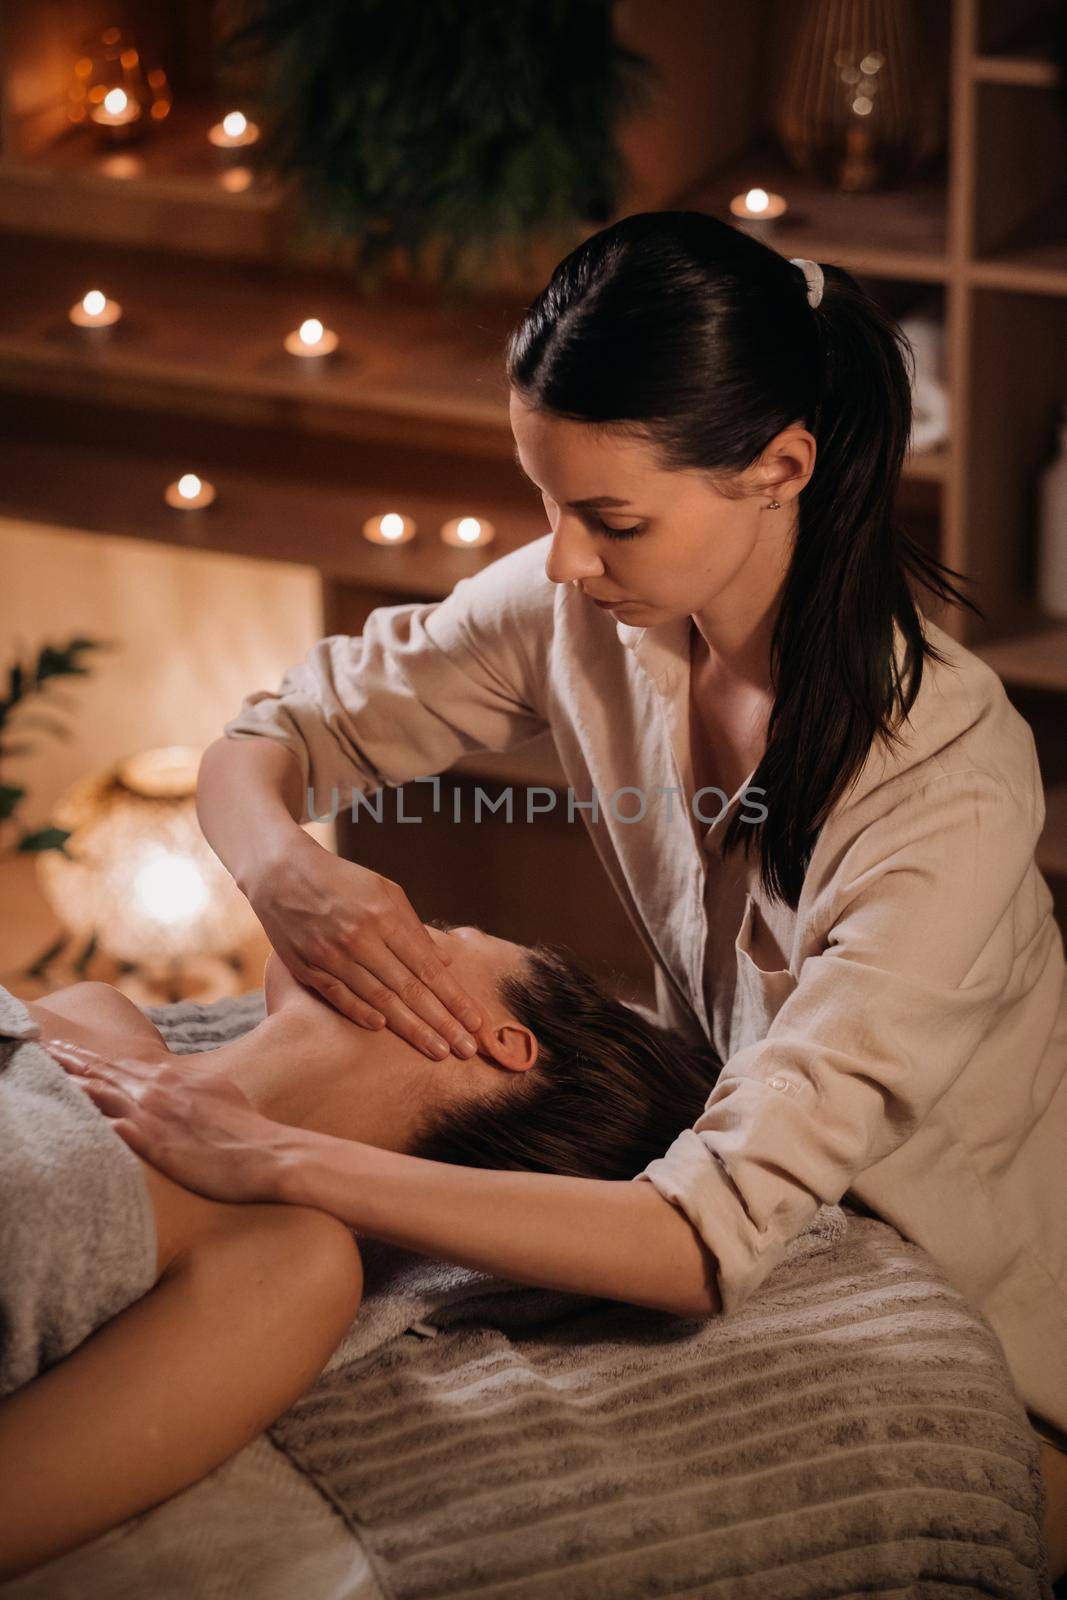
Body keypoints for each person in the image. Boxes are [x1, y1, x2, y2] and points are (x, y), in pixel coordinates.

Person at [48, 211, 1067, 1575]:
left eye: (610, 517)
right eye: (545, 500)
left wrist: (282, 1161)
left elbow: (703, 1235)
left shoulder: (943, 781)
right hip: (711, 1178)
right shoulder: (586, 602)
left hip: (963, 1305)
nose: (565, 559)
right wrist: (281, 868)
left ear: (777, 469)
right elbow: (277, 737)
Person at [0, 926, 720, 1579]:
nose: (373, 917)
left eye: (438, 934)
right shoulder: (99, 1013)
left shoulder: (283, 1262)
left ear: (505, 1046)